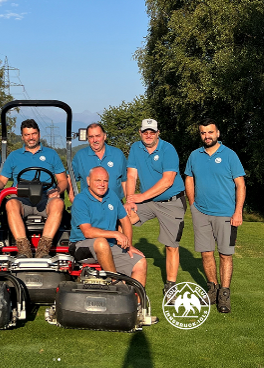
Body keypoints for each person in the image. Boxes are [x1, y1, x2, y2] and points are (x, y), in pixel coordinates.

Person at [184, 118, 245, 313]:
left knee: (225, 255)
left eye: (210, 132)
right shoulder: (195, 155)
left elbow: (240, 185)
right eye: (203, 133)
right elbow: (189, 178)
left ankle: (224, 295)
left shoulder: (229, 155)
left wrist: (238, 211)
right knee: (206, 253)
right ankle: (212, 290)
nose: (207, 136)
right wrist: (192, 204)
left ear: (217, 133)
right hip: (201, 212)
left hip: (226, 214)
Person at [125, 119, 186, 299]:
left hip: (171, 201)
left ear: (158, 133)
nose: (149, 135)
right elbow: (131, 175)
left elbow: (168, 181)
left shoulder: (168, 149)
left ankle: (170, 288)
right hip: (149, 201)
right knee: (123, 219)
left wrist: (141, 197)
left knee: (171, 246)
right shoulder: (136, 148)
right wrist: (129, 200)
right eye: (145, 132)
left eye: (152, 132)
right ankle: (119, 272)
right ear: (140, 132)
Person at [0, 119, 68, 259]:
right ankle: (23, 249)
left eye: (33, 134)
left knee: (59, 203)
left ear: (39, 134)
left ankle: (43, 249)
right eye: (27, 135)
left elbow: (63, 180)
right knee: (10, 203)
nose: (31, 137)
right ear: (22, 137)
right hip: (22, 199)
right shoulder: (14, 156)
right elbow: (2, 181)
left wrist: (57, 190)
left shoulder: (51, 154)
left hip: (45, 198)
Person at [69, 166, 147, 286]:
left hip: (109, 246)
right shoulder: (81, 200)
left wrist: (129, 245)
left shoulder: (112, 195)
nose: (102, 184)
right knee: (101, 242)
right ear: (88, 181)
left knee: (140, 262)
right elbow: (87, 232)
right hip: (82, 246)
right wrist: (115, 234)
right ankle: (116, 283)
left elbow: (125, 220)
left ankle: (137, 298)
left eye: (105, 181)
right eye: (98, 180)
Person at [69, 123, 127, 202]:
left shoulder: (117, 154)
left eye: (98, 136)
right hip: (88, 204)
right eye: (91, 137)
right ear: (88, 138)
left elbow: (125, 180)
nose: (95, 140)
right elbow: (70, 177)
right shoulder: (80, 156)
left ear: (104, 136)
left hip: (115, 203)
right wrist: (71, 196)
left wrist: (128, 201)